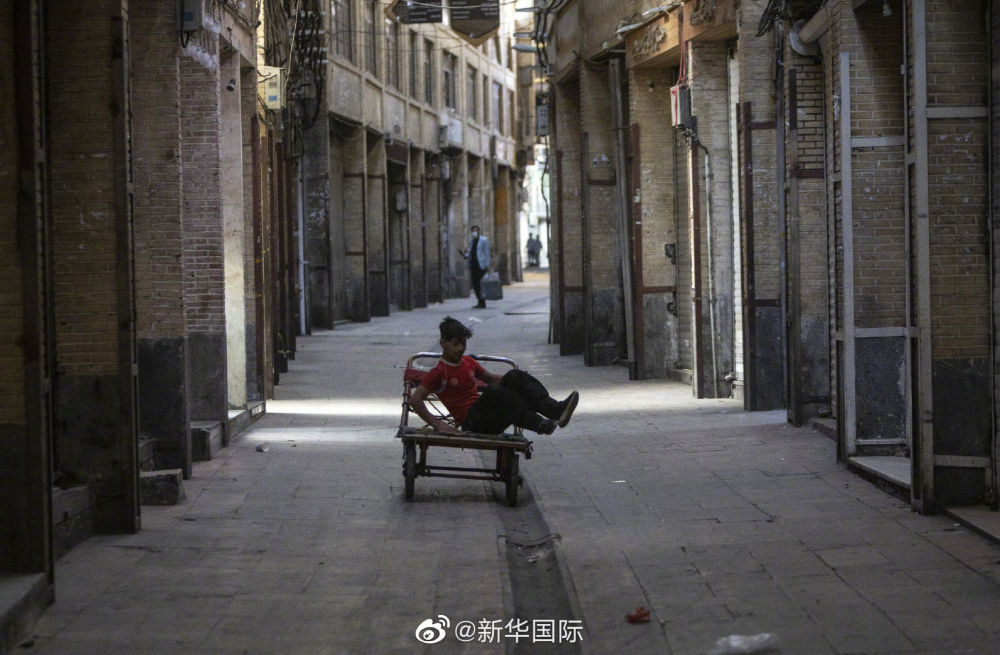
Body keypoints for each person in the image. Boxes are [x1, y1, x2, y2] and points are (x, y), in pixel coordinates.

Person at [410, 316, 580, 436]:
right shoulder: (439, 372)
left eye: (463, 344)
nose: (461, 348)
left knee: (515, 376)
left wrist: (521, 381)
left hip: (490, 417)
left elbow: (491, 378)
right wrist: (438, 424)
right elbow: (415, 400)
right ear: (443, 343)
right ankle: (540, 424)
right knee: (495, 392)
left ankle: (555, 410)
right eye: (455, 344)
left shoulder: (468, 362)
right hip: (472, 423)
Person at [461, 225, 490, 309]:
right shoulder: (471, 241)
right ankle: (479, 301)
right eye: (473, 231)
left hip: (481, 265)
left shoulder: (484, 240)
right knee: (475, 284)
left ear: (479, 231)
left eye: (476, 230)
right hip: (473, 265)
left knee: (481, 285)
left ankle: (483, 302)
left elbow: (487, 253)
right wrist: (465, 255)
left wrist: (487, 265)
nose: (475, 232)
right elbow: (470, 252)